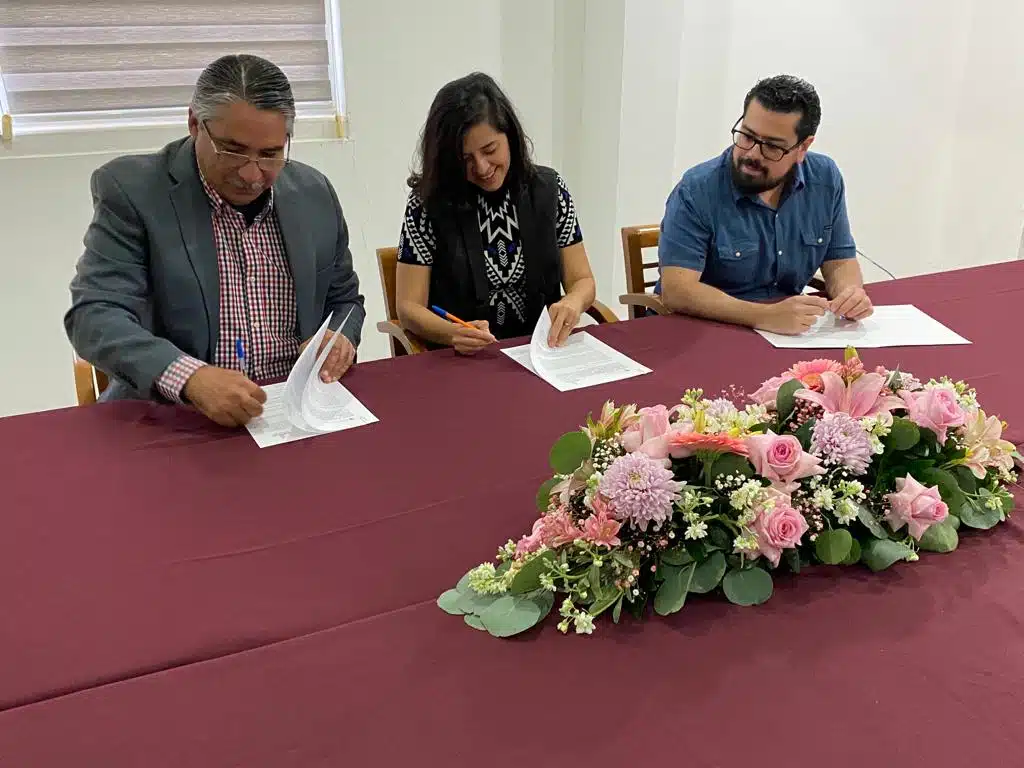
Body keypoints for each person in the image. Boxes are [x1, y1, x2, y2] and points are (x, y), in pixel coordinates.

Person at [65, 54, 365, 427]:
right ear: (194, 123)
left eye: (270, 155)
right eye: (233, 150)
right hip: (178, 417)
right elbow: (94, 315)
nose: (252, 174)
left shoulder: (313, 192)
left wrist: (339, 336)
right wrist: (189, 377)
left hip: (293, 411)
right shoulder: (134, 191)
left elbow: (345, 300)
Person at [395, 72, 597, 354]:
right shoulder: (428, 205)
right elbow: (408, 307)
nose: (482, 167)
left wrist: (572, 302)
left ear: (510, 136)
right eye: (465, 159)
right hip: (464, 362)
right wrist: (453, 333)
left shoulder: (550, 191)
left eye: (490, 150)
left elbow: (583, 281)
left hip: (540, 352)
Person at [657, 75, 872, 334]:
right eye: (747, 136)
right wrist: (763, 315)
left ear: (803, 147)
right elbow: (678, 290)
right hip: (709, 330)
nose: (751, 154)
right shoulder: (697, 189)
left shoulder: (824, 179)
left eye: (772, 146)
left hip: (787, 331)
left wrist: (849, 294)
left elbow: (839, 259)